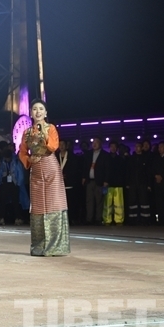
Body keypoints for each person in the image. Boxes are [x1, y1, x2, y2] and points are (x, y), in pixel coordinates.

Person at [18, 99, 70, 257]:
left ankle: (56, 246)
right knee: (38, 206)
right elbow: (22, 152)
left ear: (45, 113)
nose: (38, 111)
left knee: (54, 203)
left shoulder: (51, 128)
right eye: (35, 109)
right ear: (31, 113)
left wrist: (44, 135)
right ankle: (39, 246)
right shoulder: (27, 132)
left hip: (50, 168)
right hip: (36, 170)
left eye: (41, 109)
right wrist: (29, 159)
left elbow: (53, 146)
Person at [82, 137, 110, 225]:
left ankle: (98, 219)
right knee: (89, 201)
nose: (94, 144)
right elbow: (85, 166)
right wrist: (84, 177)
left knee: (99, 201)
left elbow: (107, 169)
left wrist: (106, 180)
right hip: (89, 181)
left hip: (99, 181)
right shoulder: (88, 154)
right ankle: (89, 219)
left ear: (100, 144)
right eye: (93, 142)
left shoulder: (105, 155)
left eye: (96, 142)